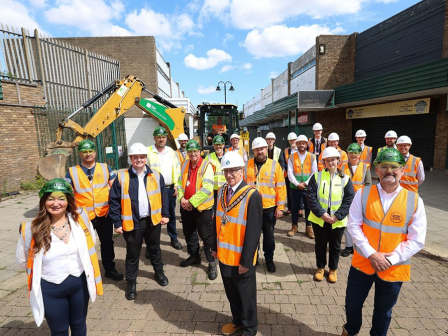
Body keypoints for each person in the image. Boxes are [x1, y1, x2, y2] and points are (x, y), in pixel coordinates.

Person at [341, 148, 427, 336]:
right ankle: (350, 330)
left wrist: (391, 258)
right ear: (376, 170)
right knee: (352, 303)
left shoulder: (414, 200)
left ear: (402, 170)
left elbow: (417, 239)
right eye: (384, 166)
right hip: (363, 262)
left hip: (393, 267)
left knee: (383, 311)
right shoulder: (363, 193)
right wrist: (372, 254)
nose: (390, 171)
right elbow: (353, 226)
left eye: (394, 167)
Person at [16, 178, 102, 335]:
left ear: (68, 201)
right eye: (50, 199)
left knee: (79, 324)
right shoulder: (30, 229)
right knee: (59, 330)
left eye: (61, 199)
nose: (56, 203)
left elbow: (91, 244)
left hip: (79, 283)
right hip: (50, 287)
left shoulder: (81, 221)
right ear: (43, 201)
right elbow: (22, 262)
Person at [109, 143, 170, 300]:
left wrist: (165, 214)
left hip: (153, 221)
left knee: (155, 249)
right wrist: (117, 223)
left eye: (142, 157)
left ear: (146, 158)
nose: (139, 160)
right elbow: (114, 201)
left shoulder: (155, 175)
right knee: (132, 254)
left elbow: (164, 196)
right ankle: (131, 283)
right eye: (135, 157)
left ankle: (159, 273)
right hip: (132, 223)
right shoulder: (122, 177)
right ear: (130, 159)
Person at [211, 151, 263, 336]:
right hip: (225, 255)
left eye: (233, 171)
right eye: (226, 171)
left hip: (241, 259)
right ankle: (238, 321)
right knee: (232, 294)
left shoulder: (252, 195)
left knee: (246, 297)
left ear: (242, 171)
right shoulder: (222, 190)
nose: (229, 175)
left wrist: (246, 261)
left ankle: (250, 328)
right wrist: (214, 247)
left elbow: (253, 232)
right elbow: (216, 220)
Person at [65, 139, 123, 281]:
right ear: (80, 154)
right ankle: (86, 272)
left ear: (95, 152)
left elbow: (115, 190)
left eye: (90, 151)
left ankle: (109, 269)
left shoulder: (105, 168)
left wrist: (114, 209)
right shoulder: (72, 172)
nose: (88, 154)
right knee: (84, 245)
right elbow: (68, 195)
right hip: (83, 217)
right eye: (84, 152)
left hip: (104, 214)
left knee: (107, 243)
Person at [307, 147, 355, 283]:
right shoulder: (317, 176)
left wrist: (337, 216)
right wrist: (322, 214)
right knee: (320, 244)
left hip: (337, 220)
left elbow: (349, 199)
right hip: (319, 219)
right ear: (323, 162)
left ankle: (333, 269)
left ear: (338, 161)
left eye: (333, 160)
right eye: (327, 160)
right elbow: (310, 197)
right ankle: (320, 267)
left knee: (335, 245)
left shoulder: (345, 179)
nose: (330, 163)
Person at [177, 139, 217, 280]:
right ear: (187, 153)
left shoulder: (207, 166)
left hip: (202, 208)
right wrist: (181, 198)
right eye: (190, 151)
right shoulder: (185, 163)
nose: (192, 154)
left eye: (195, 151)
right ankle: (194, 256)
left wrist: (191, 202)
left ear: (200, 152)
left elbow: (207, 188)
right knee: (189, 233)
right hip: (186, 207)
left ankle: (211, 262)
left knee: (206, 236)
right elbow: (180, 182)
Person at [245, 137, 286, 273]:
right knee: (253, 235)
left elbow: (280, 187)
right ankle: (254, 257)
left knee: (269, 236)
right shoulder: (247, 165)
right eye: (256, 149)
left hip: (269, 209)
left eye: (262, 149)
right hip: (252, 208)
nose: (260, 152)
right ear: (253, 151)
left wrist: (280, 208)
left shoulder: (275, 165)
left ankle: (269, 259)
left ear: (265, 149)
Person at [146, 126, 182, 251]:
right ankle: (151, 245)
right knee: (153, 216)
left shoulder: (171, 152)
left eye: (163, 137)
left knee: (171, 214)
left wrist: (177, 185)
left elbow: (177, 169)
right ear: (154, 138)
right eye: (159, 137)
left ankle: (173, 238)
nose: (161, 140)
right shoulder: (148, 151)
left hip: (169, 189)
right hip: (153, 191)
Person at [340, 143, 372, 257]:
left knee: (360, 224)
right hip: (346, 200)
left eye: (356, 153)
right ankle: (349, 247)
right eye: (351, 153)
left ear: (360, 154)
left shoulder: (365, 167)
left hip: (359, 200)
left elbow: (368, 184)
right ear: (347, 154)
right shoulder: (342, 167)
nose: (353, 155)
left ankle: (360, 246)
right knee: (347, 224)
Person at [287, 135, 317, 239]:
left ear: (306, 144)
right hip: (295, 187)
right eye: (299, 143)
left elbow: (314, 173)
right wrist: (297, 184)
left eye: (303, 143)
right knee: (294, 207)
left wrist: (305, 183)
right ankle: (294, 227)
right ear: (297, 144)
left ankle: (309, 228)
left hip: (308, 187)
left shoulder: (312, 156)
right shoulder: (291, 156)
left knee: (309, 208)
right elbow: (290, 172)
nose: (301, 145)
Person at [207, 135, 227, 205]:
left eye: (220, 144)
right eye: (216, 145)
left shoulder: (228, 157)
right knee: (214, 210)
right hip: (213, 190)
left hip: (226, 189)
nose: (218, 147)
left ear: (223, 145)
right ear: (213, 146)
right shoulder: (208, 157)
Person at [283, 132, 298, 215]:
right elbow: (284, 161)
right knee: (289, 191)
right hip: (288, 174)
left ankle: (299, 208)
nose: (292, 142)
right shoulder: (286, 150)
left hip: (298, 174)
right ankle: (289, 208)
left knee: (298, 191)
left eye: (294, 140)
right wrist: (289, 168)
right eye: (291, 140)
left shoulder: (300, 150)